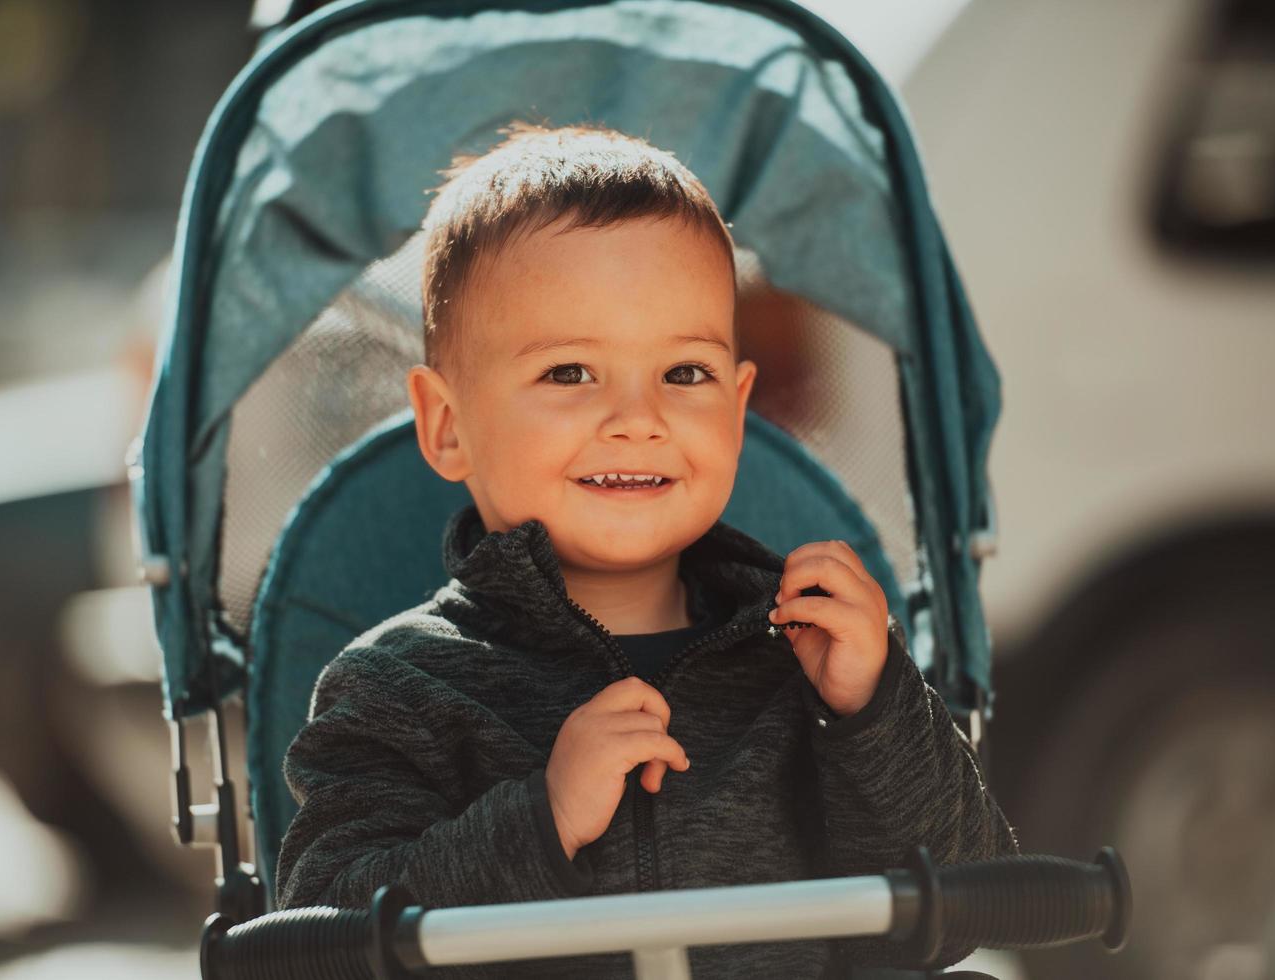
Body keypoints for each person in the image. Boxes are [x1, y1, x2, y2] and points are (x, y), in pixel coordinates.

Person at [275, 121, 1019, 978]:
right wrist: (540, 818)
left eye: (685, 374)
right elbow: (318, 947)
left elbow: (965, 906)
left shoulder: (801, 667)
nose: (639, 418)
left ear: (739, 410)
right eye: (569, 373)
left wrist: (874, 708)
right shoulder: (398, 691)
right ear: (447, 425)